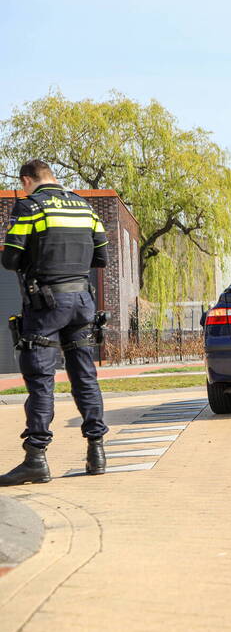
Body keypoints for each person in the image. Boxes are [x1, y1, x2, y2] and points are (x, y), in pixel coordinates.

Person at [0, 160, 109, 485]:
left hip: (46, 303)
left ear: (26, 180)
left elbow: (10, 257)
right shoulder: (84, 207)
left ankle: (36, 458)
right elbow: (101, 257)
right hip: (82, 301)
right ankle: (96, 452)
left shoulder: (30, 207)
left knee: (41, 379)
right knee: (85, 377)